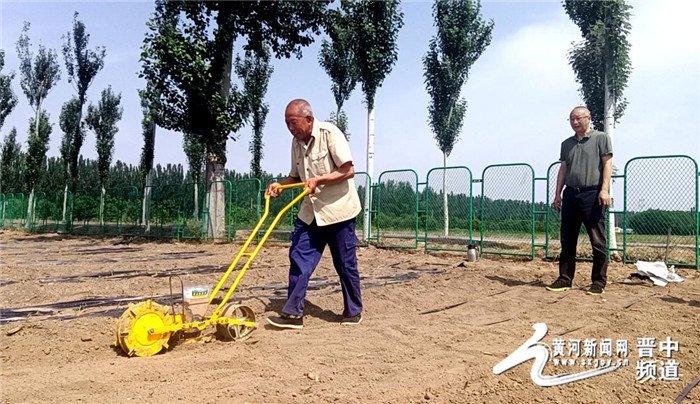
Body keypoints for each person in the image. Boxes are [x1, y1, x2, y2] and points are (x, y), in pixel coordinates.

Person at [265, 99, 363, 329]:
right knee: (299, 257)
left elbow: (348, 170)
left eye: (293, 122)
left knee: (344, 263)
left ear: (308, 119)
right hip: (311, 213)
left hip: (339, 211)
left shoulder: (330, 134)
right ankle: (293, 314)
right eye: (287, 123)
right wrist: (279, 185)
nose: (290, 128)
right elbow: (297, 177)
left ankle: (353, 311)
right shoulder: (296, 142)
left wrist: (319, 180)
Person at [547, 106, 613, 295]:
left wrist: (604, 190)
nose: (575, 122)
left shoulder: (601, 138)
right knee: (567, 239)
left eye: (578, 118)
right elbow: (563, 169)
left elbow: (607, 163)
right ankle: (564, 279)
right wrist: (557, 194)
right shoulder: (566, 143)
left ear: (588, 118)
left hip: (592, 194)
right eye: (571, 119)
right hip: (570, 195)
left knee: (597, 241)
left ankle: (598, 282)